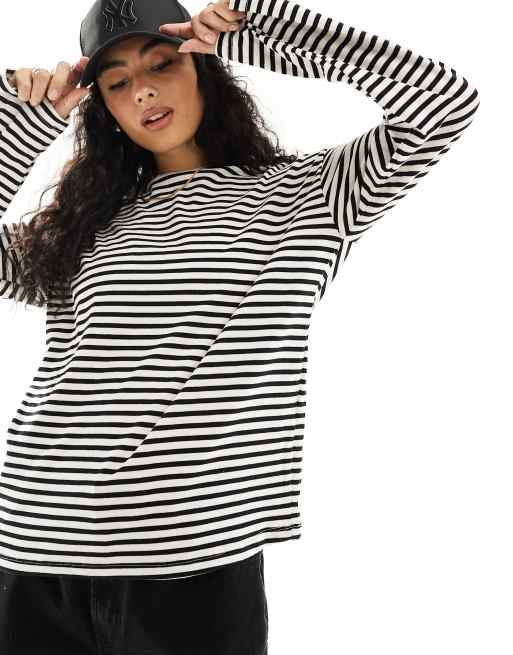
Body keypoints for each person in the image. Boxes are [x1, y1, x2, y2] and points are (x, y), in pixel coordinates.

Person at [0, 0, 479, 652]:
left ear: (205, 66)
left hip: (196, 559)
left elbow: (445, 104)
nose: (141, 90)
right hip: (35, 549)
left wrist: (263, 27)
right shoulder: (81, 229)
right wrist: (19, 126)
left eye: (161, 64)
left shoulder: (309, 196)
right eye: (116, 82)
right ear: (103, 107)